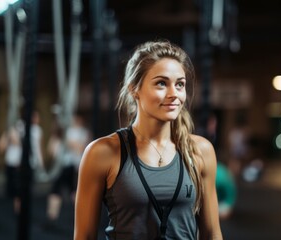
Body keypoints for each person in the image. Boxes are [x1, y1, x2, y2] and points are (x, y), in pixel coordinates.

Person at [74, 40, 223, 240]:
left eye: (180, 84)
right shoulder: (102, 153)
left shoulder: (200, 150)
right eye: (161, 83)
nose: (174, 94)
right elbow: (84, 236)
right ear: (134, 89)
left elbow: (212, 233)